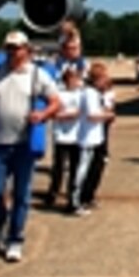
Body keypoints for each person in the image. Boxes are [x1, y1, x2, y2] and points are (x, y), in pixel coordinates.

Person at [0, 30, 61, 263]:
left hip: (23, 145)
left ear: (27, 50)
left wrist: (43, 114)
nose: (13, 52)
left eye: (17, 48)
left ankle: (15, 239)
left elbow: (55, 101)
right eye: (9, 47)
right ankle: (0, 218)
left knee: (22, 195)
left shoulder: (37, 75)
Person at [74, 63, 116, 214]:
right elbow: (92, 115)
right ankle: (76, 201)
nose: (106, 80)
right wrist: (108, 115)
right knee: (83, 170)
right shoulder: (89, 93)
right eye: (104, 77)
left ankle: (87, 197)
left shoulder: (97, 94)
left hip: (96, 137)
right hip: (87, 138)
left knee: (95, 168)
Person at [44, 66, 83, 211]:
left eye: (75, 78)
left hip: (76, 136)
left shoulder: (81, 94)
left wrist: (71, 115)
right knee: (58, 167)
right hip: (61, 135)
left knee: (75, 168)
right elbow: (52, 111)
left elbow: (82, 111)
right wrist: (63, 115)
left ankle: (72, 195)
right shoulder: (59, 94)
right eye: (70, 79)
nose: (73, 81)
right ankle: (52, 193)